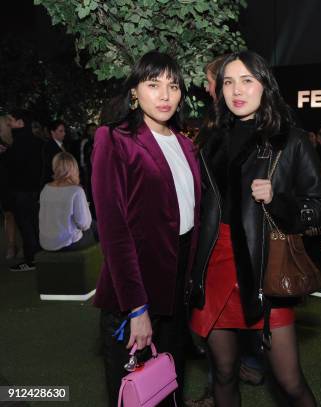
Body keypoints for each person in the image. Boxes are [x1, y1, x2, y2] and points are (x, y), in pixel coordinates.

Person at [189, 50, 321, 407]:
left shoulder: (292, 140)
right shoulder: (210, 141)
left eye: (247, 80)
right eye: (228, 82)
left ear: (265, 86)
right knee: (222, 372)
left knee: (289, 381)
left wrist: (278, 199)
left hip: (265, 268)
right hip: (217, 264)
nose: (237, 90)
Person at [92, 51, 201, 406]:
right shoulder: (115, 138)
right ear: (135, 92)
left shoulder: (185, 143)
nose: (165, 95)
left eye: (173, 85)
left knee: (169, 387)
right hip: (136, 292)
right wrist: (136, 308)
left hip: (176, 292)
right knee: (137, 395)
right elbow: (114, 230)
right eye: (154, 85)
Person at [7, 109, 43, 272]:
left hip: (21, 191)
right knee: (35, 224)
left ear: (21, 122)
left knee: (26, 225)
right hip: (36, 190)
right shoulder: (38, 142)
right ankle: (40, 256)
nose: (8, 123)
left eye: (11, 120)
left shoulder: (15, 144)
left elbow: (12, 168)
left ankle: (32, 259)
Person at [39, 152, 95, 251]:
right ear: (73, 168)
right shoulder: (76, 191)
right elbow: (84, 224)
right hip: (66, 244)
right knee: (98, 229)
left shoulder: (46, 188)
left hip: (45, 242)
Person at [0, 115, 18, 259]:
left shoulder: (18, 140)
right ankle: (11, 245)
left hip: (18, 183)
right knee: (9, 214)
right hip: (5, 183)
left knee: (17, 215)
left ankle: (15, 246)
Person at [41, 120, 67, 186]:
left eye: (64, 131)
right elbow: (50, 167)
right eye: (61, 131)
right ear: (52, 132)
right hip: (53, 182)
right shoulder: (48, 147)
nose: (64, 133)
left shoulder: (63, 144)